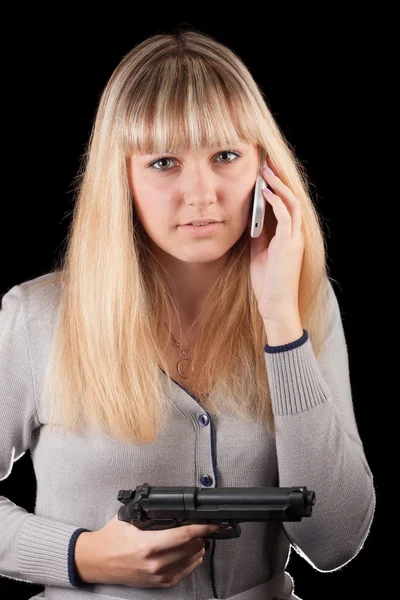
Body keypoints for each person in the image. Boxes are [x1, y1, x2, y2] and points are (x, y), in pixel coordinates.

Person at [0, 26, 376, 600]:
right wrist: (80, 555)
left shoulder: (303, 305)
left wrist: (280, 321)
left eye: (226, 155)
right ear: (121, 177)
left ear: (265, 168)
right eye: (164, 162)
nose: (201, 194)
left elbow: (335, 541)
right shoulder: (35, 318)